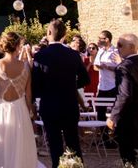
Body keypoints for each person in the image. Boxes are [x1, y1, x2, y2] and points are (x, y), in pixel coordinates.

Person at [32, 19, 89, 168]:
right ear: (64, 35)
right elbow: (85, 78)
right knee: (73, 142)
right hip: (69, 103)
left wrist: (45, 90)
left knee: (54, 143)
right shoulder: (73, 54)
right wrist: (70, 85)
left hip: (49, 104)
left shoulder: (40, 56)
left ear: (49, 33)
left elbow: (36, 85)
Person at [0, 32, 38, 168]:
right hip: (19, 109)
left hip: (1, 108)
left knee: (1, 143)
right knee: (19, 144)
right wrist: (30, 112)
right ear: (17, 46)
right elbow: (28, 94)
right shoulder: (26, 66)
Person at [106, 33, 138, 165]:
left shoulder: (124, 67)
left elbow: (124, 94)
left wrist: (113, 116)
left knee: (129, 159)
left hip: (129, 120)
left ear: (132, 47)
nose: (117, 48)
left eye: (120, 45)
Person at [93, 30, 119, 120]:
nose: (98, 40)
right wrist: (99, 66)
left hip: (113, 85)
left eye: (100, 38)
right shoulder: (100, 51)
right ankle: (103, 133)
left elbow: (120, 68)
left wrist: (108, 67)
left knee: (115, 110)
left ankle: (115, 132)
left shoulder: (115, 51)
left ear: (107, 39)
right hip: (102, 85)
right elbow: (95, 67)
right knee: (100, 110)